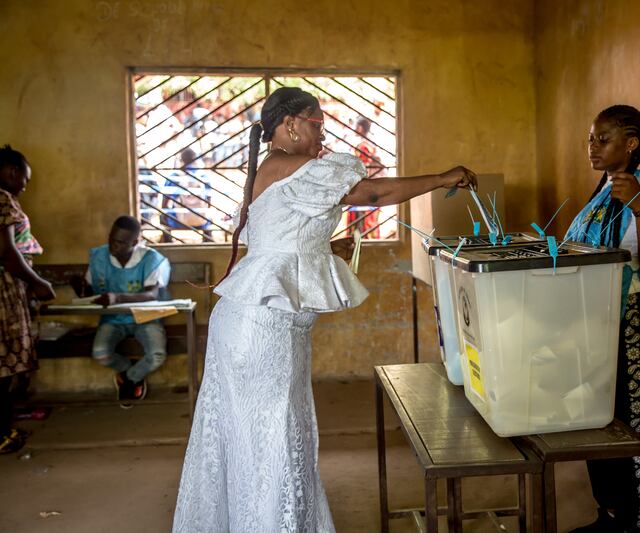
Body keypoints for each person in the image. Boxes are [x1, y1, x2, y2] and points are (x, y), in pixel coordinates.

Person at [172, 87, 476, 532]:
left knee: (270, 437)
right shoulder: (286, 165)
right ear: (291, 123)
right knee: (272, 439)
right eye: (317, 123)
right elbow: (369, 195)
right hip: (260, 331)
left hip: (261, 326)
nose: (323, 132)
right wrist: (442, 177)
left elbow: (273, 242)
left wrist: (322, 245)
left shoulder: (278, 171)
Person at [564, 105, 640, 533]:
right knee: (598, 419)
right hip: (593, 317)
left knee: (633, 425)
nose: (592, 147)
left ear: (630, 143)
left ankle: (637, 522)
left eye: (603, 138)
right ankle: (608, 516)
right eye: (590, 138)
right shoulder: (600, 193)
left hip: (630, 319)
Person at [72, 216, 171, 408]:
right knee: (100, 353)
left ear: (134, 242)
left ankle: (130, 378)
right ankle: (129, 371)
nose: (112, 245)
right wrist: (80, 288)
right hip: (114, 319)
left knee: (157, 355)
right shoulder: (99, 257)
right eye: (111, 238)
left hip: (147, 317)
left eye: (119, 242)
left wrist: (117, 298)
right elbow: (92, 293)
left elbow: (152, 295)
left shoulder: (152, 259)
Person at [0, 145, 55, 453]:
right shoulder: (2, 199)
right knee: (5, 363)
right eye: (24, 178)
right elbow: (7, 253)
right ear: (12, 171)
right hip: (5, 291)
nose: (23, 185)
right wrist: (38, 283)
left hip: (10, 286)